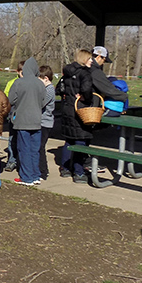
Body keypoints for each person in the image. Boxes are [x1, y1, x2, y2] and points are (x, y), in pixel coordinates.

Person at [59, 49, 95, 183]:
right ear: (84, 59)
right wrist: (86, 98)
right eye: (90, 58)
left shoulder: (67, 72)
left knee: (69, 139)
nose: (92, 61)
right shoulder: (85, 73)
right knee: (81, 139)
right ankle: (79, 172)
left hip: (67, 108)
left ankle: (65, 168)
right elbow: (86, 89)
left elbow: (60, 88)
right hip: (80, 109)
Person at [8, 57, 46, 186]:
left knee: (24, 149)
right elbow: (43, 101)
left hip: (22, 121)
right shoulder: (40, 84)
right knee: (35, 150)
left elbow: (11, 100)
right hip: (36, 121)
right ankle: (36, 175)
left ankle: (26, 177)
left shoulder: (19, 83)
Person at [2, 60, 24, 173]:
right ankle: (11, 160)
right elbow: (6, 97)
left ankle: (22, 162)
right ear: (18, 71)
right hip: (13, 115)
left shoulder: (31, 82)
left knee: (23, 140)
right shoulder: (12, 82)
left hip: (25, 116)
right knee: (12, 139)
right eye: (21, 72)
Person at [38, 65, 56, 181]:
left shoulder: (49, 90)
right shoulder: (46, 89)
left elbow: (41, 103)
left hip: (45, 123)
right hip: (42, 122)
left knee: (40, 147)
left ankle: (43, 171)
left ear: (46, 78)